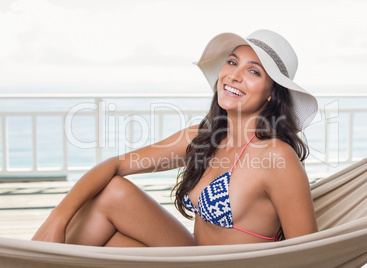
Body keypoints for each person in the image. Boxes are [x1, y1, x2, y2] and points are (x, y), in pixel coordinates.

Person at [32, 29, 318, 247]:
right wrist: (56, 219)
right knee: (112, 197)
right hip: (194, 258)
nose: (234, 76)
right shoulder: (202, 138)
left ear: (271, 93)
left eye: (253, 71)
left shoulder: (275, 156)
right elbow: (116, 165)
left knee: (103, 226)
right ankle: (44, 251)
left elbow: (308, 254)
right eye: (232, 63)